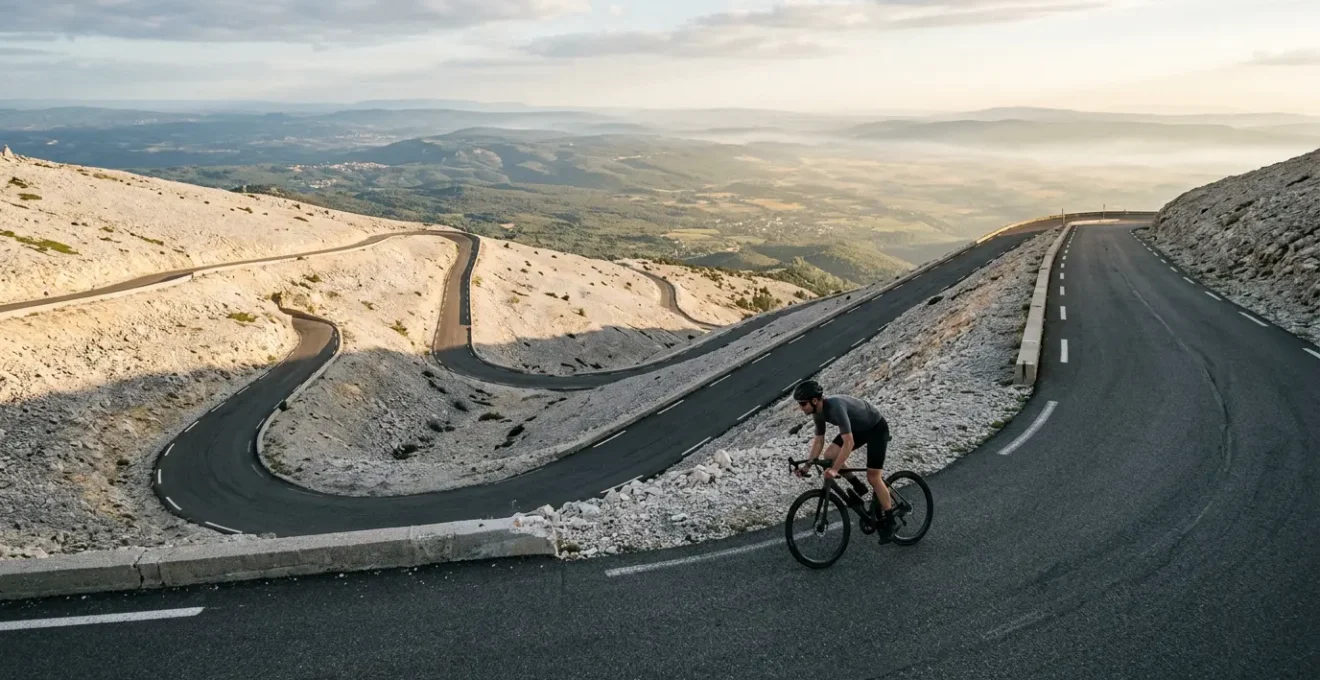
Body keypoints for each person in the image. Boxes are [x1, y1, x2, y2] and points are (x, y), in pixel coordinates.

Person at [791, 379, 897, 541]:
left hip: (876, 428)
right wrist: (807, 467)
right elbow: (819, 441)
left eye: (803, 403)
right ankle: (857, 485)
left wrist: (834, 470)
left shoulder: (835, 407)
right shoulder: (817, 413)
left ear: (814, 400)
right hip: (859, 429)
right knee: (830, 455)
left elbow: (849, 443)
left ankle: (890, 521)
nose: (801, 407)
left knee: (873, 476)